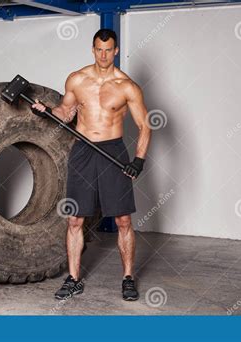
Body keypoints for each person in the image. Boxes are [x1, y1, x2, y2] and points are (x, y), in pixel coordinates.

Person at [31, 28, 151, 301]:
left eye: (109, 50)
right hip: (82, 149)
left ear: (116, 51)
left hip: (113, 150)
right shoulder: (77, 79)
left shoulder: (127, 86)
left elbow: (145, 126)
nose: (104, 54)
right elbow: (66, 112)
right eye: (99, 49)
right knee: (75, 219)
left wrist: (139, 161)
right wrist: (48, 110)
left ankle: (128, 278)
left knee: (122, 219)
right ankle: (73, 279)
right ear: (93, 49)